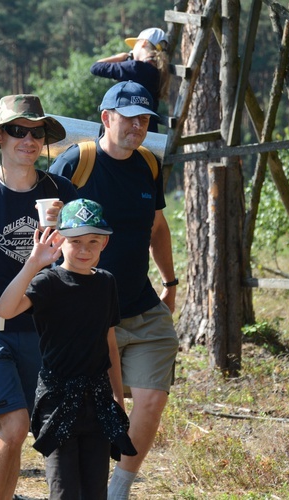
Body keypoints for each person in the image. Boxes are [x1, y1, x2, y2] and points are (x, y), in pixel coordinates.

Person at [49, 81, 179, 499]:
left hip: (142, 306)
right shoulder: (77, 162)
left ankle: (119, 488)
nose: (137, 127)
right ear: (106, 118)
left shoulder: (148, 165)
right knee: (105, 411)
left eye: (144, 120)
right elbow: (48, 230)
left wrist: (171, 282)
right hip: (89, 313)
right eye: (129, 118)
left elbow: (158, 228)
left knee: (152, 400)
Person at [0, 94, 77, 499]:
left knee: (26, 429)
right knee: (14, 425)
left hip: (44, 328)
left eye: (36, 132)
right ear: (0, 138)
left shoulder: (63, 192)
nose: (28, 139)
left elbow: (87, 257)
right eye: (18, 131)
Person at [0, 199, 137, 499]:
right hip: (57, 401)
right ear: (59, 239)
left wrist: (118, 398)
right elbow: (5, 310)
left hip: (98, 402)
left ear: (105, 243)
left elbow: (109, 342)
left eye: (92, 241)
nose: (84, 250)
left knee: (95, 491)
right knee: (64, 491)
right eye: (75, 241)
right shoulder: (48, 281)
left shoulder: (106, 283)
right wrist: (33, 263)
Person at [90, 27, 170, 132]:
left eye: (134, 45)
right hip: (149, 129)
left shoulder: (134, 68)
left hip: (130, 129)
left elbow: (96, 67)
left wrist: (122, 56)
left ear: (143, 43)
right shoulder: (159, 71)